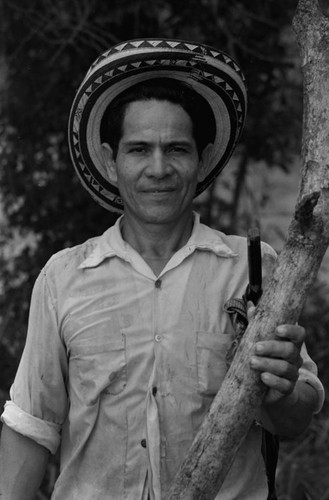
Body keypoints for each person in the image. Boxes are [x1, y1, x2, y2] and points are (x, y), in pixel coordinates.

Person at [0, 39, 324, 500]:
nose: (158, 169)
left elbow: (295, 417)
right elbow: (32, 426)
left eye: (176, 149)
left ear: (201, 159)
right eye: (138, 150)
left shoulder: (253, 270)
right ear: (112, 162)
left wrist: (282, 387)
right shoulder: (63, 278)